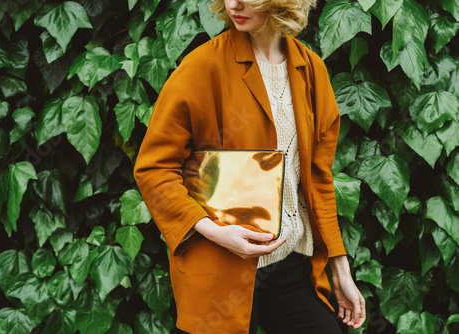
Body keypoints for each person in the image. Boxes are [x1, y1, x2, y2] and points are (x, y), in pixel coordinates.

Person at [133, 0, 366, 333]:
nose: (234, 4)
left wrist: (340, 268)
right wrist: (215, 232)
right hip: (218, 266)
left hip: (290, 266)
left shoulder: (312, 70)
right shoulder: (202, 67)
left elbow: (318, 179)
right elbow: (154, 168)